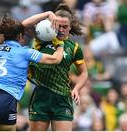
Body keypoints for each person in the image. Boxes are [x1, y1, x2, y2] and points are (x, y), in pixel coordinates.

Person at [0, 11, 65, 131]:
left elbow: (20, 26)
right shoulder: (25, 52)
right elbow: (56, 59)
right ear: (20, 36)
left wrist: (48, 14)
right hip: (5, 99)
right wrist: (59, 43)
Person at [28, 3, 88, 131]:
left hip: (62, 99)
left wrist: (77, 88)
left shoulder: (74, 47)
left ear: (70, 27)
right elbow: (24, 25)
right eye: (58, 25)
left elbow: (84, 73)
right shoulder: (41, 39)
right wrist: (47, 14)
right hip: (41, 96)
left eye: (65, 27)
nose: (61, 29)